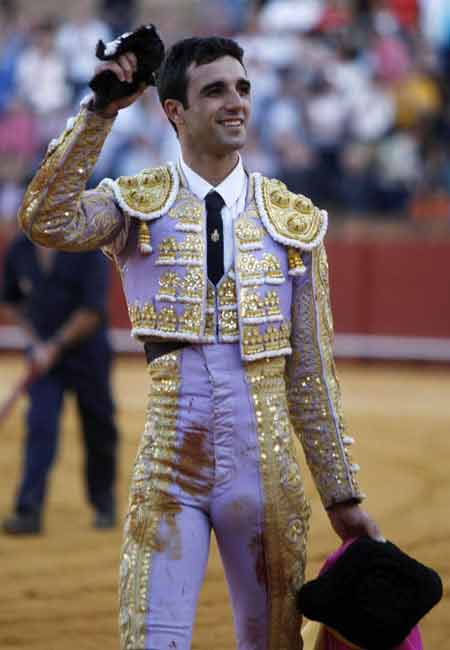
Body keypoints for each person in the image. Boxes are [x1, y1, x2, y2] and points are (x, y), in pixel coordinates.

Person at [17, 30, 382, 649]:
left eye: (242, 88)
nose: (236, 101)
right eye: (215, 90)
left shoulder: (292, 219)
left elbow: (311, 374)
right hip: (169, 466)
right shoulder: (136, 205)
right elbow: (45, 219)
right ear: (174, 111)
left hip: (267, 474)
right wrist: (99, 111)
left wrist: (341, 495)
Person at [1, 236, 119, 535]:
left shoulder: (86, 247)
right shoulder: (20, 249)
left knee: (98, 427)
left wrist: (53, 346)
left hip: (87, 355)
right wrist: (35, 344)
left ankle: (103, 503)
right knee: (40, 426)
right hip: (44, 357)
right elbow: (11, 303)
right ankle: (28, 510)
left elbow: (92, 312)